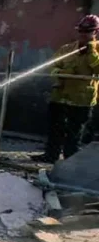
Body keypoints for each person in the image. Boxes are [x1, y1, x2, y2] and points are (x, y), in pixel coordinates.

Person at [31, 15, 99, 163]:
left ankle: (70, 161)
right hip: (60, 95)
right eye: (81, 31)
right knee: (55, 129)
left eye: (87, 31)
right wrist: (60, 74)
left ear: (96, 32)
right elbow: (53, 66)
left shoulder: (97, 50)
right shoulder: (67, 49)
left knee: (74, 133)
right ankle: (50, 156)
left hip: (81, 99)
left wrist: (92, 52)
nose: (83, 34)